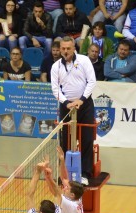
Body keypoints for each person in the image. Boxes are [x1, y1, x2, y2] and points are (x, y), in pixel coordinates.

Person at [51, 36, 97, 184]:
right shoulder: (56, 66)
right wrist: (66, 103)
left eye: (68, 48)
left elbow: (92, 81)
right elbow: (55, 89)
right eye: (63, 49)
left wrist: (81, 100)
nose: (65, 51)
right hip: (67, 107)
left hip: (85, 105)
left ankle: (85, 174)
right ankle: (64, 174)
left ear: (74, 48)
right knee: (65, 142)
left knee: (86, 139)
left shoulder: (84, 60)